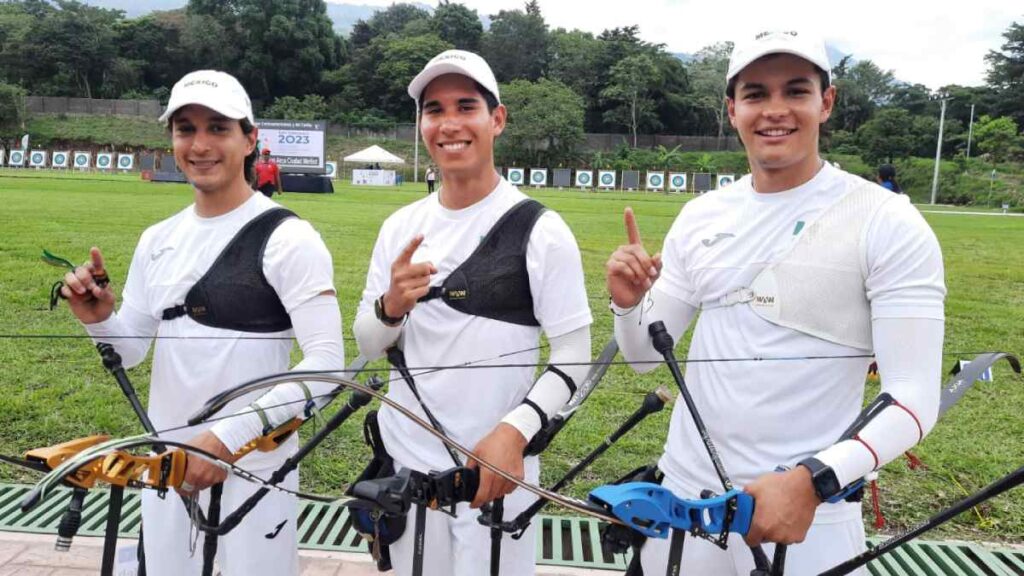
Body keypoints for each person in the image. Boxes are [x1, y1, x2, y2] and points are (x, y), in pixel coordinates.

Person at [605, 30, 945, 575]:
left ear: (826, 102)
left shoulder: (887, 220)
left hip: (809, 517)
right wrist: (628, 306)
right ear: (733, 109)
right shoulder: (702, 216)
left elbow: (912, 399)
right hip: (687, 504)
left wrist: (814, 479)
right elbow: (646, 357)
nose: (776, 111)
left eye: (796, 91)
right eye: (757, 94)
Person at [59, 69, 344, 576]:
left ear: (250, 139)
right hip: (168, 468)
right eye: (185, 128)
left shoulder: (289, 238)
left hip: (255, 471)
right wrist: (99, 320)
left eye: (218, 127)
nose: (200, 144)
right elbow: (131, 350)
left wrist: (227, 439)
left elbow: (326, 368)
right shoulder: (157, 238)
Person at [353, 49, 593, 576]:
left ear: (497, 119)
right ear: (421, 124)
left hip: (498, 472)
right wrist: (391, 307)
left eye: (467, 106)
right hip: (406, 469)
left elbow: (575, 353)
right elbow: (369, 343)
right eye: (434, 109)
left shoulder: (539, 228)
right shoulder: (400, 227)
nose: (450, 123)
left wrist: (514, 433)